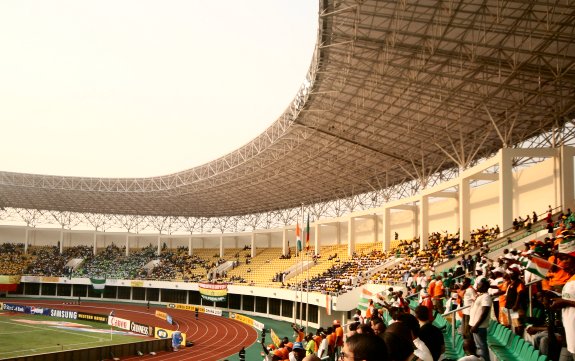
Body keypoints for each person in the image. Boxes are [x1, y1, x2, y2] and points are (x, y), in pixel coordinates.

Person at [550, 236, 575, 360]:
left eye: (565, 259)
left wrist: (565, 302)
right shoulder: (571, 278)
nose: (561, 264)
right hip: (570, 338)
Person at [469, 278, 492, 361]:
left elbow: (484, 313)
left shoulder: (486, 297)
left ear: (485, 286)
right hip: (475, 325)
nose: (477, 286)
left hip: (479, 327)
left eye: (480, 285)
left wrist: (476, 325)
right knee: (478, 346)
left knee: (481, 346)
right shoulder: (481, 296)